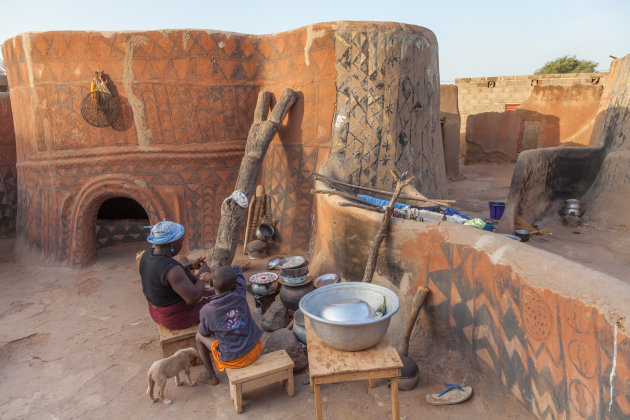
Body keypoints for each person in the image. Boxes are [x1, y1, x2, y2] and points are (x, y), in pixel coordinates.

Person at [195, 265, 263, 385]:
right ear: (235, 284)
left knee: (199, 336)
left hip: (233, 360)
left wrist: (211, 277)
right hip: (255, 350)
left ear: (211, 285)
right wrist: (213, 277)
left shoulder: (207, 310)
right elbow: (237, 268)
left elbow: (204, 333)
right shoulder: (240, 292)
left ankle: (211, 376)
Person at [139, 220, 213, 330]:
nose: (182, 244)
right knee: (227, 297)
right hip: (177, 318)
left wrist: (190, 265)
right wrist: (203, 271)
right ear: (171, 244)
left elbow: (164, 275)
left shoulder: (147, 254)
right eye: (181, 240)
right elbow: (193, 298)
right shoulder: (173, 270)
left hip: (156, 312)